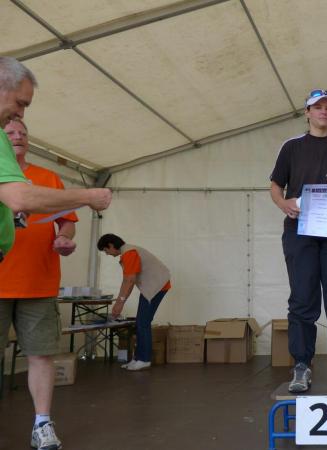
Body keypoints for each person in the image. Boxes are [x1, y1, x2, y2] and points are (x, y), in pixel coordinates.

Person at [0, 57, 111, 450]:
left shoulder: (47, 177)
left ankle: (42, 423)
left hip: (38, 282)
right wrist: (89, 195)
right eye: (16, 113)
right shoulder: (17, 178)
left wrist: (64, 235)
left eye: (23, 130)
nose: (17, 127)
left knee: (41, 354)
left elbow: (65, 221)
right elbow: (21, 199)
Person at [270, 89, 327, 393]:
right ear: (307, 112)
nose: (324, 111)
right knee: (302, 298)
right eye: (318, 107)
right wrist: (283, 204)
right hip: (300, 231)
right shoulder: (291, 147)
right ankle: (301, 365)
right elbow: (275, 185)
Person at [97, 233, 171, 372]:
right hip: (154, 286)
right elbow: (127, 281)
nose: (107, 254)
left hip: (157, 286)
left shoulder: (129, 253)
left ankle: (144, 359)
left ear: (111, 245)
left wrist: (119, 303)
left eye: (106, 250)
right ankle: (138, 358)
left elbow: (130, 280)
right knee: (140, 323)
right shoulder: (128, 252)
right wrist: (119, 302)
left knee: (143, 323)